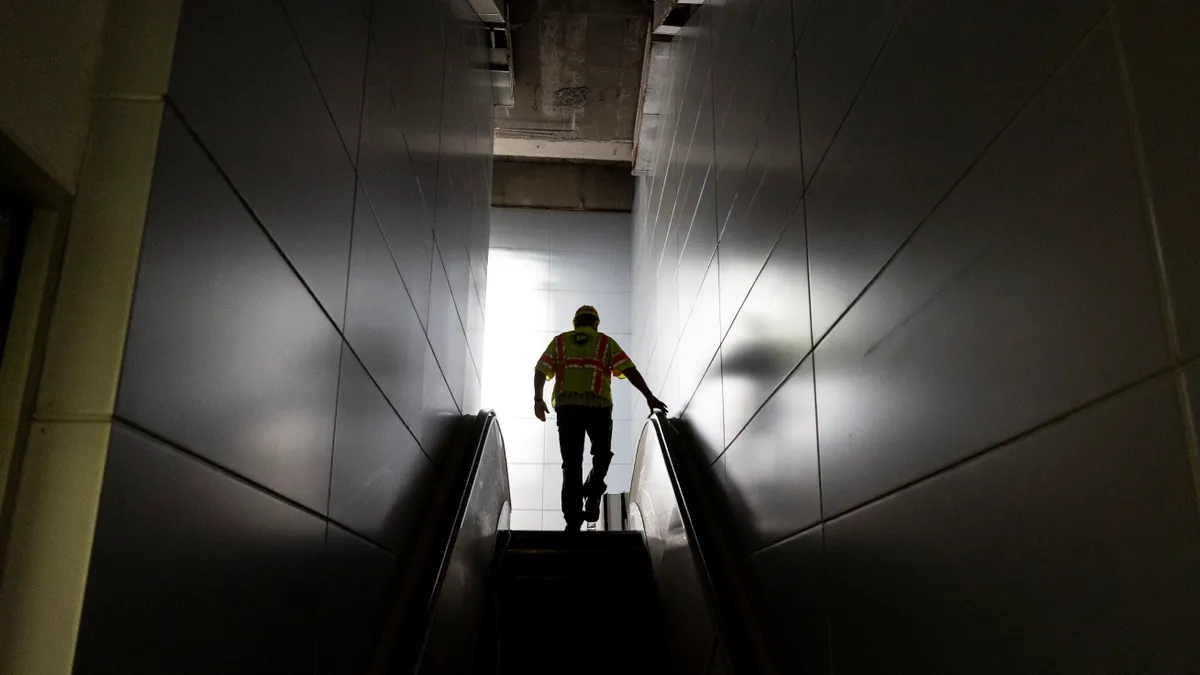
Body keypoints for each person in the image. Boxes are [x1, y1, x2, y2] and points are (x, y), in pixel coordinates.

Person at [533, 305, 667, 530]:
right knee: (602, 455)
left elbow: (540, 369)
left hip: (568, 408)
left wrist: (538, 399)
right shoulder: (605, 343)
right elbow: (629, 370)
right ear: (596, 323)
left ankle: (574, 520)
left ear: (575, 323)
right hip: (599, 407)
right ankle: (593, 492)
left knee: (571, 464)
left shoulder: (560, 342)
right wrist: (649, 396)